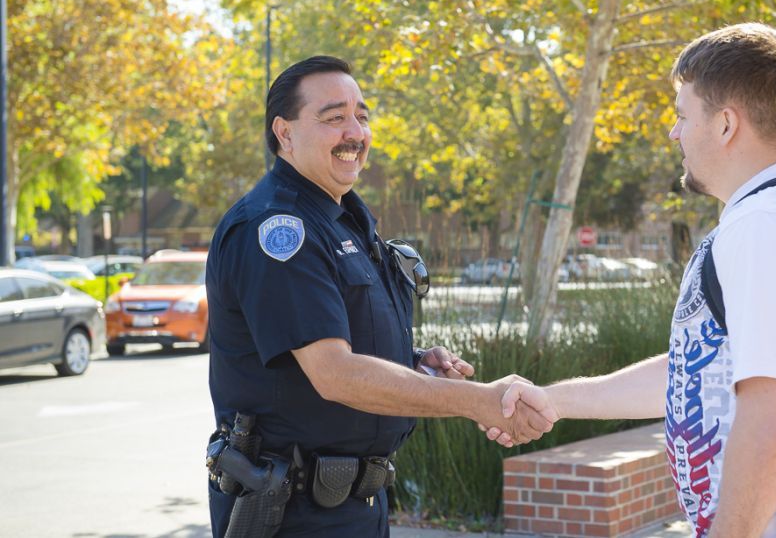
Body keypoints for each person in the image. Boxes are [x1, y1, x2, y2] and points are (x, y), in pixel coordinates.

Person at [489, 24, 776, 537]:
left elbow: (774, 420)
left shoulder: (768, 228)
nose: (673, 133)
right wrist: (556, 399)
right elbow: (698, 370)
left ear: (726, 124)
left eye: (683, 116)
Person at [205, 55, 554, 538]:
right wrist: (476, 401)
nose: (355, 133)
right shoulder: (278, 230)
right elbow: (334, 374)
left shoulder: (343, 221)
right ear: (284, 133)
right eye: (334, 118)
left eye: (362, 116)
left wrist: (411, 361)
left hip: (357, 506)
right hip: (291, 514)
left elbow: (338, 345)